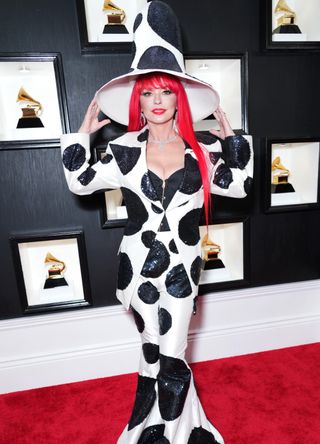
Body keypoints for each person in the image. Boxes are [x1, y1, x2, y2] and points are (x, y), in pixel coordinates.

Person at [60, 2, 253, 443]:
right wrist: (82, 135)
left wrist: (234, 143)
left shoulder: (203, 150)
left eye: (166, 91)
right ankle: (151, 428)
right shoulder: (123, 149)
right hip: (137, 270)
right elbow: (81, 181)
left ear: (179, 97)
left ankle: (177, 432)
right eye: (148, 93)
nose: (158, 101)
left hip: (183, 270)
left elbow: (239, 188)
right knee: (152, 351)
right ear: (138, 101)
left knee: (173, 353)